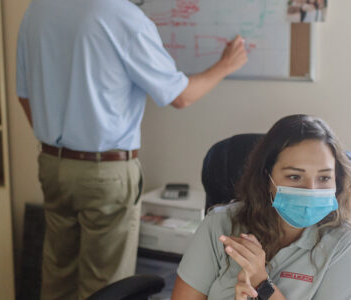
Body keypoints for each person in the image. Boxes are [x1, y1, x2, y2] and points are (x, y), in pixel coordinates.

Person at [16, 0, 247, 299]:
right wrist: (226, 65)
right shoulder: (120, 15)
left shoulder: (38, 9)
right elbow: (181, 96)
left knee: (57, 277)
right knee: (105, 285)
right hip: (103, 171)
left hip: (52, 163)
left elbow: (24, 95)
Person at [172, 114, 351, 300]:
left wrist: (262, 285)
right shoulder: (219, 225)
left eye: (324, 178)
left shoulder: (344, 242)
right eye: (294, 177)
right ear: (267, 178)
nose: (310, 190)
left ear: (337, 180)